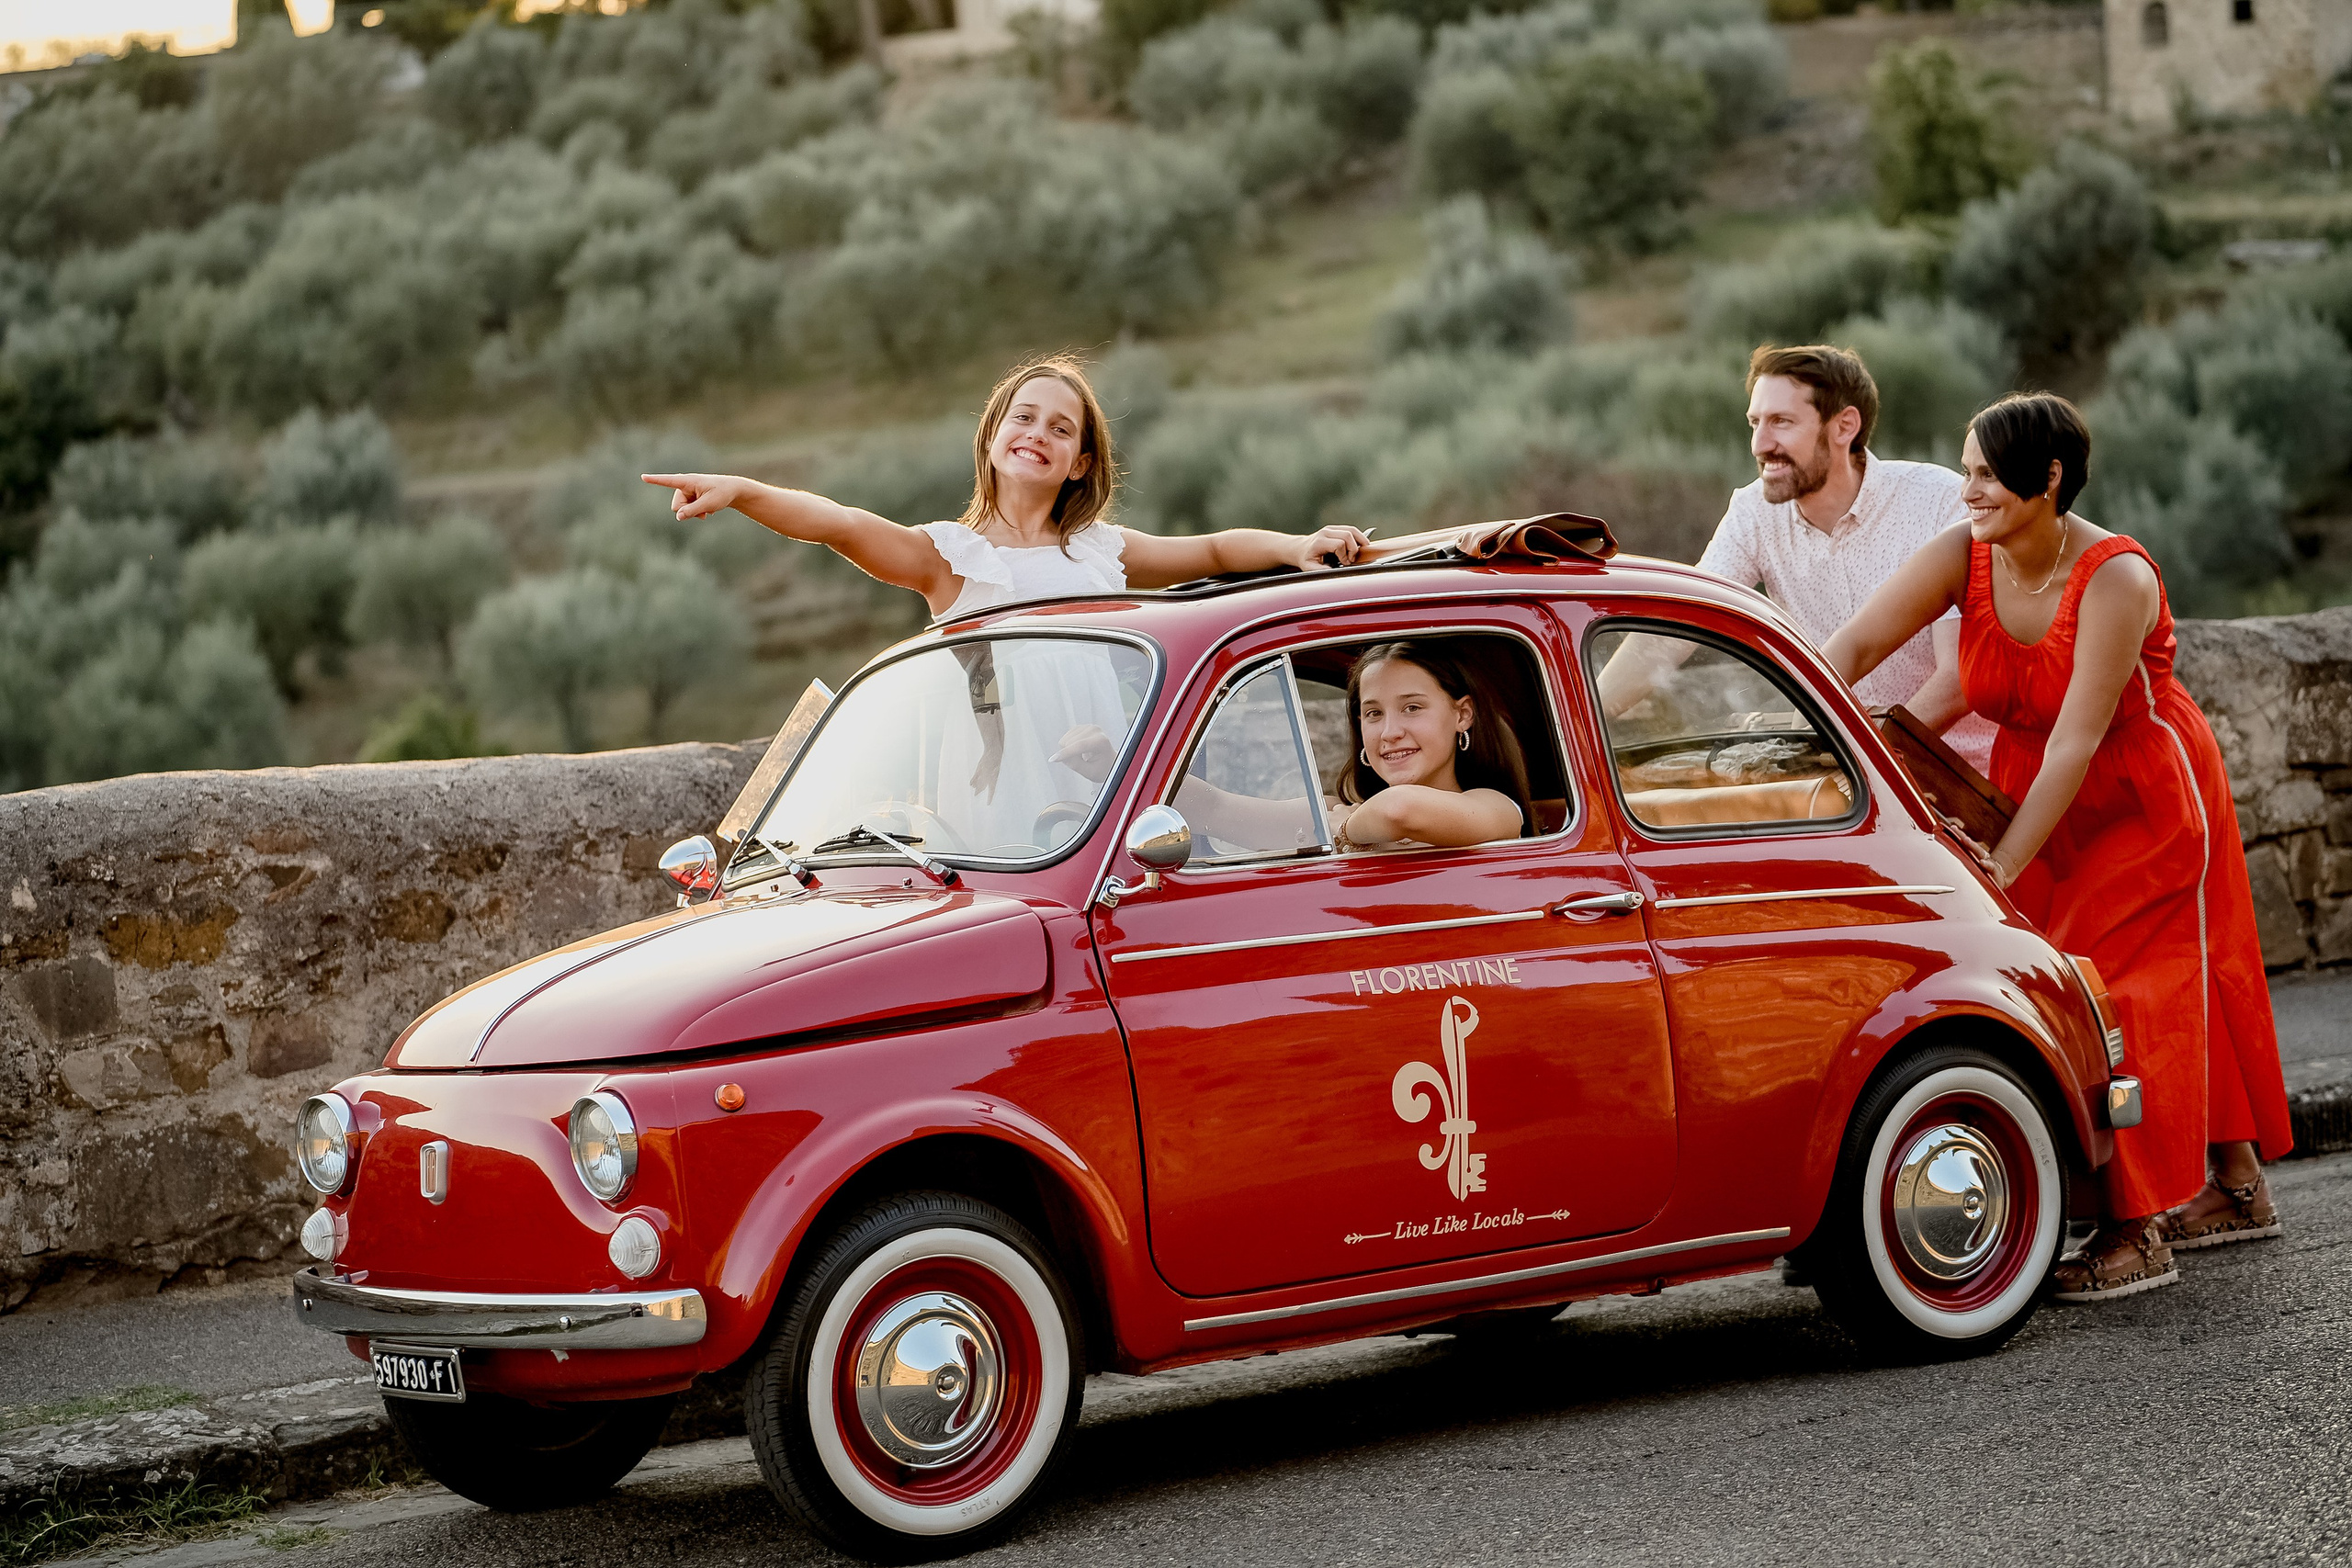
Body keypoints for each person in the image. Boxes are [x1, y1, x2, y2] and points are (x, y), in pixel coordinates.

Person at [1823, 392, 2292, 1302]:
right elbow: (1855, 641)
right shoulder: (1965, 554)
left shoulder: (2116, 578)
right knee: (2135, 986)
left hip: (2142, 803)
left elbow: (2079, 740)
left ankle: (2136, 1225)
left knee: (2105, 998)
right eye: (1963, 471)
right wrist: (1792, 713)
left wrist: (1999, 863)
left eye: (1988, 475)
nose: (1969, 491)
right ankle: (2236, 1187)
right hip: (2033, 796)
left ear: (2047, 480)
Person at [642, 353, 1371, 622]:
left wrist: (1302, 545)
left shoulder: (1100, 551)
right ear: (993, 437)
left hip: (1109, 791)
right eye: (1024, 417)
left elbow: (1212, 547)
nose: (1038, 434)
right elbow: (835, 521)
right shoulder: (946, 557)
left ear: (1082, 462)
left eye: (1061, 429)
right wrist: (740, 488)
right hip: (998, 797)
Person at [1603, 345, 1996, 772]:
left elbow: (1959, 679)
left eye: (1781, 422)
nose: (1760, 443)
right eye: (1755, 422)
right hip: (1847, 778)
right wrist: (1578, 723)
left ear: (1845, 426)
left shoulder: (1938, 502)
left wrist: (1870, 761)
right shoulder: (1753, 513)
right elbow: (1672, 631)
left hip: (1962, 777)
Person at [1329, 641, 1530, 852]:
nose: (1389, 733)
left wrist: (1344, 829)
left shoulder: (1496, 806)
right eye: (1374, 713)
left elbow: (1399, 808)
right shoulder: (1345, 810)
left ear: (1462, 715)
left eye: (1412, 708)